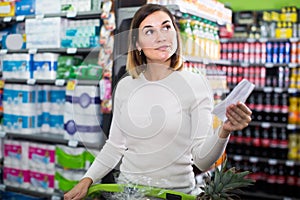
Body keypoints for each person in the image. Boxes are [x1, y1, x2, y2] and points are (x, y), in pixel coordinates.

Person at [64, 4, 252, 200]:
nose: (161, 37)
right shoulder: (126, 85)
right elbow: (114, 146)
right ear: (137, 44)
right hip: (128, 194)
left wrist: (224, 130)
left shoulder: (196, 84)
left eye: (166, 27)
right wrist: (88, 179)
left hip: (175, 194)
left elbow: (202, 161)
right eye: (149, 31)